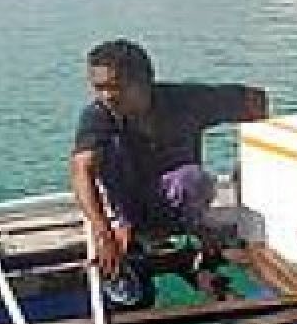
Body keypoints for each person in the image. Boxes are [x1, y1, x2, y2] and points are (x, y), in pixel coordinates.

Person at [69, 39, 267, 286]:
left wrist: (245, 171)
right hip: (130, 207)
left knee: (193, 179)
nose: (107, 96)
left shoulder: (186, 101)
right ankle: (134, 228)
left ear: (145, 81)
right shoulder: (99, 116)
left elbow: (255, 100)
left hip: (181, 201)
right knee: (107, 149)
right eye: (99, 88)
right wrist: (103, 233)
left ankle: (189, 230)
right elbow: (81, 170)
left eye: (116, 87)